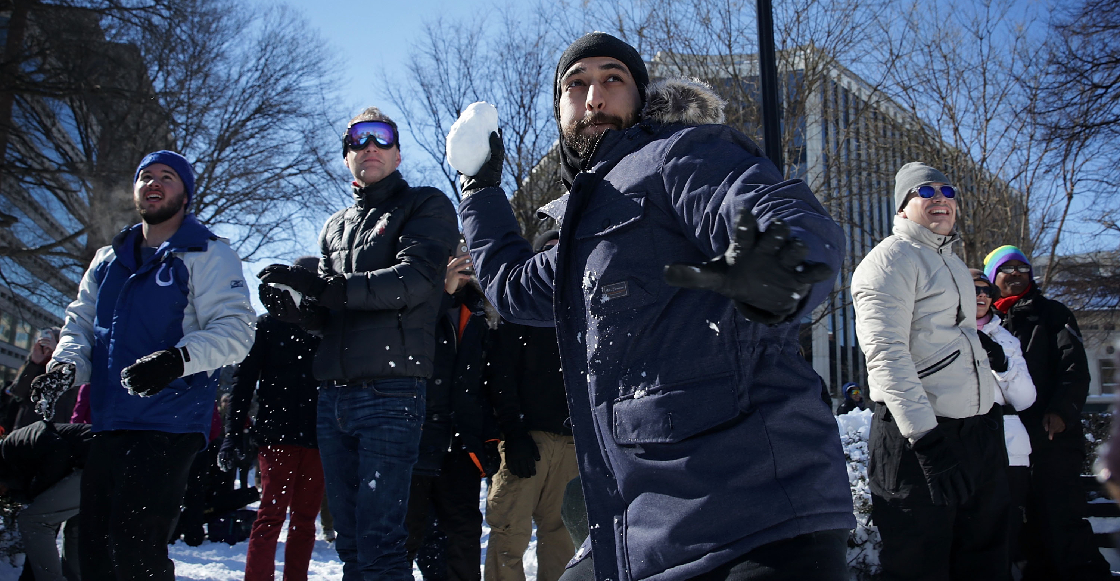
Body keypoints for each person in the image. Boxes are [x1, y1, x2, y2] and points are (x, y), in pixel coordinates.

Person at [456, 32, 853, 581]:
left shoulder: (679, 154)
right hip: (646, 532)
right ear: (560, 111)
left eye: (612, 78)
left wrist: (778, 254)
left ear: (642, 96)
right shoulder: (582, 230)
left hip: (755, 515)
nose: (594, 96)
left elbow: (760, 203)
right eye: (577, 85)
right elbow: (513, 288)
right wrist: (478, 190)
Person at [29, 150, 256, 580]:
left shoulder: (206, 253)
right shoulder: (106, 260)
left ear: (185, 194)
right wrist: (64, 368)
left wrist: (176, 360)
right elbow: (80, 327)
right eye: (145, 176)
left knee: (133, 548)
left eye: (167, 177)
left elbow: (236, 332)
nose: (154, 183)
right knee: (91, 547)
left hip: (169, 423)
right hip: (109, 421)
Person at [256, 107, 458, 580]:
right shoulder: (334, 226)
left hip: (392, 391)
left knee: (381, 542)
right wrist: (300, 312)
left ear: (397, 152)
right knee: (349, 542)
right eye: (357, 139)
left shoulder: (426, 204)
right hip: (332, 397)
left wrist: (328, 291)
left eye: (381, 137)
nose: (370, 147)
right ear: (347, 156)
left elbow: (414, 280)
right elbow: (331, 315)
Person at [851, 162, 1008, 580]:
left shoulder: (953, 261)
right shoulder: (889, 260)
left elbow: (946, 332)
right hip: (919, 443)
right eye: (925, 192)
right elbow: (887, 357)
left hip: (975, 434)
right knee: (919, 566)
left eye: (947, 190)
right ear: (902, 209)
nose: (940, 197)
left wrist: (981, 350)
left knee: (982, 561)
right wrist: (928, 443)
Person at [983, 245, 1112, 580]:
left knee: (1060, 518)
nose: (1015, 273)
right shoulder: (983, 322)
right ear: (992, 277)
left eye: (1021, 267)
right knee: (1018, 526)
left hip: (1051, 437)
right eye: (1006, 269)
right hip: (1006, 443)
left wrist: (1061, 412)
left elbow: (1074, 370)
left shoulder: (1054, 314)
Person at [404, 240, 503, 581]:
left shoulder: (482, 310)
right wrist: (440, 295)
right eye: (454, 255)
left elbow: (490, 382)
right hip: (413, 440)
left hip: (461, 445)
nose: (462, 262)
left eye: (467, 255)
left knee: (463, 535)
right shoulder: (414, 302)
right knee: (408, 534)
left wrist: (490, 438)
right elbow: (411, 346)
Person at [483, 229, 578, 581]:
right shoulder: (516, 313)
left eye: (561, 252)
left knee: (563, 541)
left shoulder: (583, 313)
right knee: (509, 535)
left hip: (572, 446)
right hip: (527, 442)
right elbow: (500, 380)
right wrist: (514, 433)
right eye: (548, 252)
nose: (556, 259)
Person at [225, 256, 325, 581]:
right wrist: (232, 432)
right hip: (277, 435)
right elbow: (242, 383)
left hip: (317, 436)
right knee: (272, 515)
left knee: (304, 519)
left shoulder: (327, 327)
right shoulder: (266, 326)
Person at [971, 268, 1036, 573]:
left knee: (1007, 536)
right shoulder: (941, 334)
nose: (981, 295)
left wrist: (1002, 364)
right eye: (974, 290)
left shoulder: (1006, 338)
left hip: (1011, 447)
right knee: (972, 537)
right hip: (967, 444)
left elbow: (1025, 398)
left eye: (986, 290)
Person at [0, 421, 91, 581]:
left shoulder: (15, 443)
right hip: (99, 460)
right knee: (74, 530)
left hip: (94, 461)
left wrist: (39, 491)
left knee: (33, 521)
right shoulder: (14, 466)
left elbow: (58, 450)